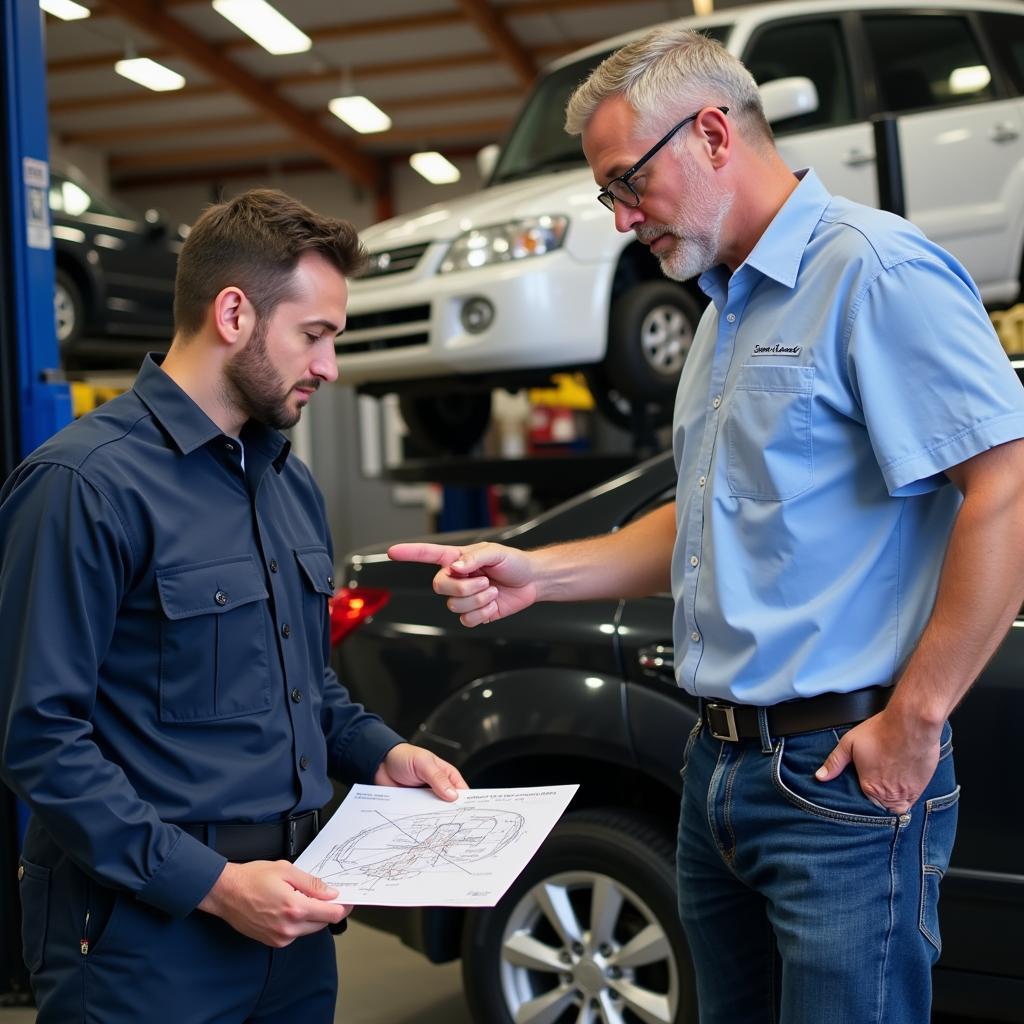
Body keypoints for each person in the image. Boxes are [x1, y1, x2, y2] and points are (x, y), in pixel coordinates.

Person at [388, 27, 1024, 1024]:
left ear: (714, 134)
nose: (618, 217)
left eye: (624, 183)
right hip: (719, 766)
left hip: (839, 778)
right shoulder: (723, 309)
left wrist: (916, 717)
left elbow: (1005, 486)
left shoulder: (873, 272)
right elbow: (709, 514)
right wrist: (538, 573)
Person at [0, 188, 467, 1024]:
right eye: (314, 335)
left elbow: (308, 692)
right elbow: (43, 742)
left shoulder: (287, 483)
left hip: (292, 923)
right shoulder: (85, 486)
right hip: (140, 942)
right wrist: (212, 888)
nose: (328, 365)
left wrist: (386, 755)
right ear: (233, 313)